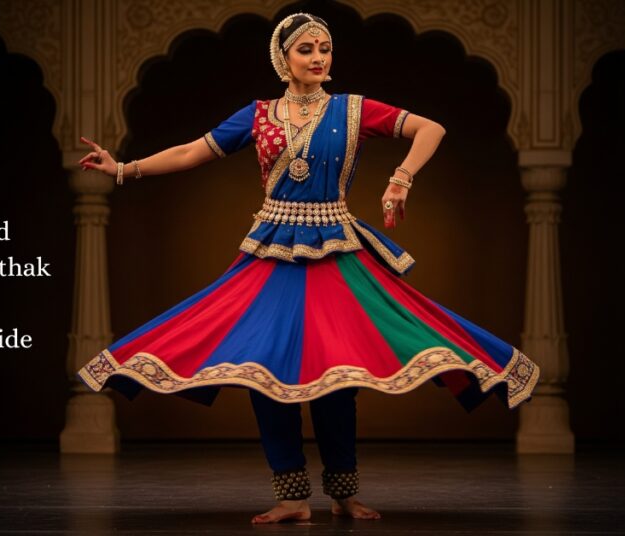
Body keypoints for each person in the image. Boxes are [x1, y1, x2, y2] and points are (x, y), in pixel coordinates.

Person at [75, 12, 541, 524]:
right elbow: (191, 151)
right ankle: (292, 495)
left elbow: (431, 128)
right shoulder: (257, 116)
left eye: (325, 49)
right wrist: (122, 169)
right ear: (283, 59)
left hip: (336, 253)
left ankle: (343, 490)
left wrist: (401, 178)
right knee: (264, 368)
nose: (319, 58)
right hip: (271, 252)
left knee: (338, 371)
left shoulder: (354, 109)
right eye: (306, 50)